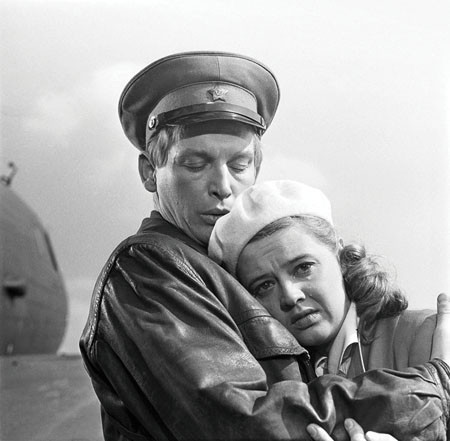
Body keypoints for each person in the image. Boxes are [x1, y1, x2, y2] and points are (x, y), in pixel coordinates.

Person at [80, 51, 450, 441]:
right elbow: (246, 422)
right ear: (148, 172)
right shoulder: (149, 268)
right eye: (195, 164)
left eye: (239, 165)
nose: (223, 186)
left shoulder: (218, 268)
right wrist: (433, 386)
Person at [208, 180, 441, 379]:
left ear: (340, 255)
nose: (290, 295)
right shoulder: (271, 380)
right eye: (265, 285)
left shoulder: (425, 334)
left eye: (303, 268)